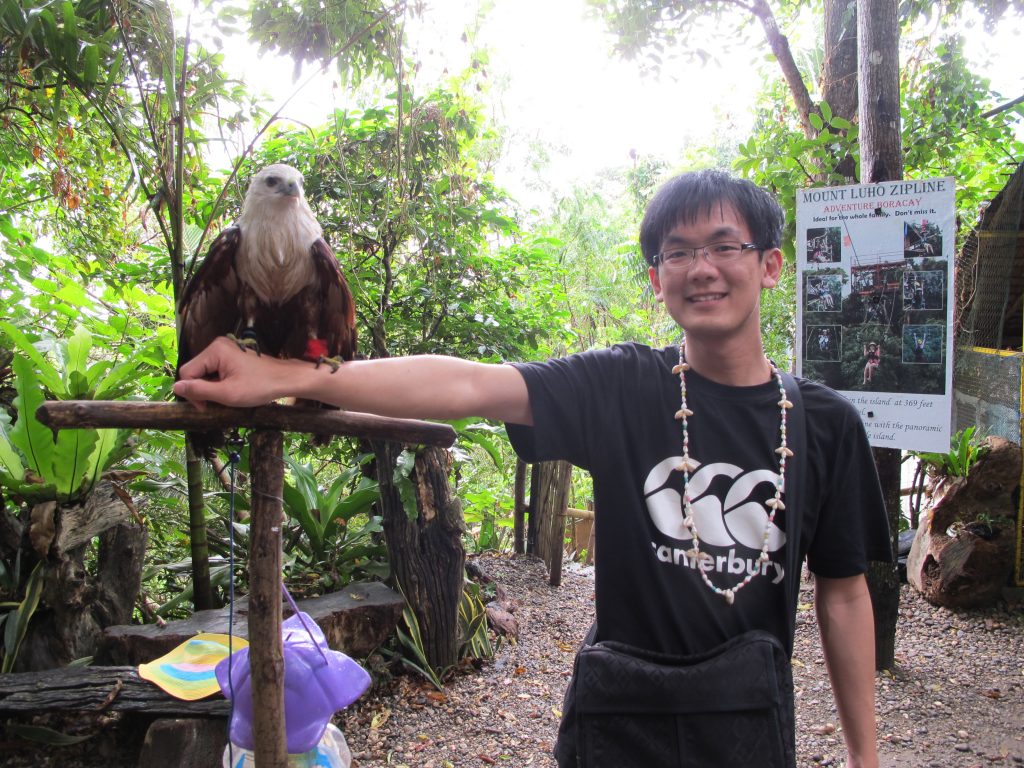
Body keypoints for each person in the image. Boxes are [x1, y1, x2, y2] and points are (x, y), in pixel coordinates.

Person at [175, 170, 891, 768]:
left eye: (725, 245)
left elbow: (845, 593)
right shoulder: (625, 386)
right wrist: (275, 376)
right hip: (619, 724)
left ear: (769, 264)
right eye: (678, 252)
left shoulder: (824, 423)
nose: (702, 267)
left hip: (746, 729)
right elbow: (469, 386)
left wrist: (865, 756)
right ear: (656, 279)